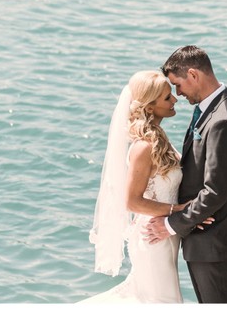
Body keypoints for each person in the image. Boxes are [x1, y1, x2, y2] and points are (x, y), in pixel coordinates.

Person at [82, 70, 211, 303]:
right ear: (149, 107)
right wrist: (181, 210)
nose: (174, 99)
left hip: (165, 235)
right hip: (151, 237)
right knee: (163, 303)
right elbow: (132, 201)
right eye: (166, 97)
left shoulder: (160, 140)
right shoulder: (143, 147)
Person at [144, 46, 227, 304]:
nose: (178, 94)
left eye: (178, 85)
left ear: (193, 74)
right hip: (204, 241)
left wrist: (170, 225)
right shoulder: (212, 109)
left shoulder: (223, 121)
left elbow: (214, 192)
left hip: (213, 242)